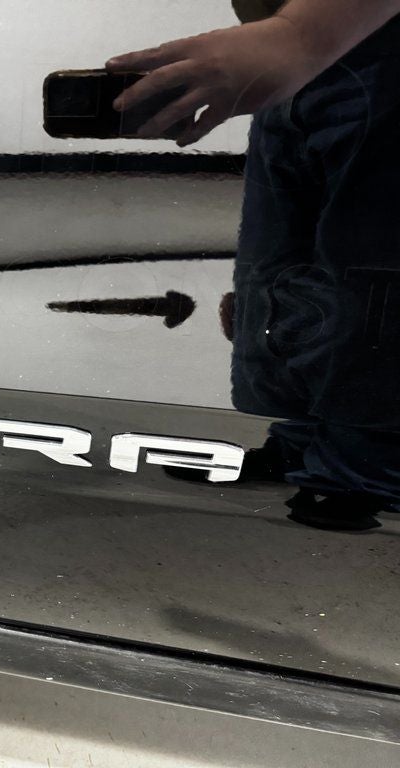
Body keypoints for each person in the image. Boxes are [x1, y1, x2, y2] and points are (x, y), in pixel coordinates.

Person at [108, 1, 400, 530]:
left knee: (368, 276)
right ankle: (312, 444)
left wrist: (296, 36)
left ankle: (361, 466)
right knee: (282, 266)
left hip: (361, 52)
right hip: (311, 60)